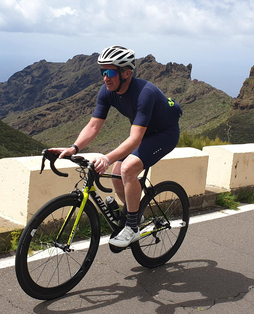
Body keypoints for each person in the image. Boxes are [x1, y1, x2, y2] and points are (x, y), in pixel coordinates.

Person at [50, 45, 182, 247]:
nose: (105, 77)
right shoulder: (107, 91)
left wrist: (107, 157)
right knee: (118, 173)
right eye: (102, 72)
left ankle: (132, 227)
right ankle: (133, 214)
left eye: (110, 72)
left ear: (127, 73)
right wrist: (74, 148)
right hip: (145, 134)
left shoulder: (145, 93)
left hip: (164, 135)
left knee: (128, 169)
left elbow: (135, 138)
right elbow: (94, 125)